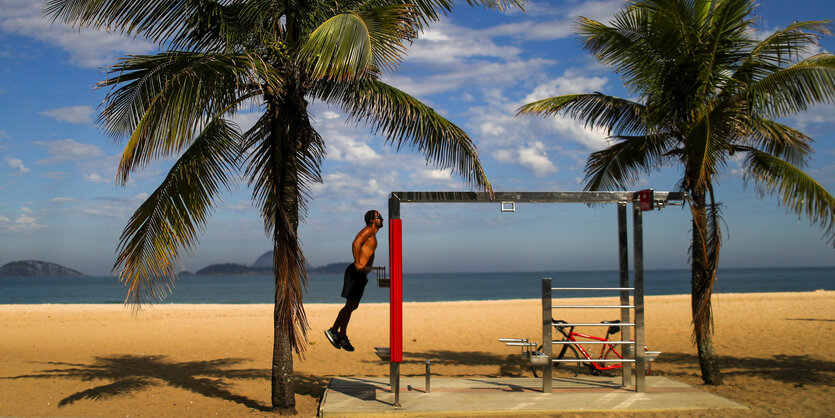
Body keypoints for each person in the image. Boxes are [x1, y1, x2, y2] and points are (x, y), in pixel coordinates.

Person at [325, 209, 384, 352]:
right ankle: (341, 335)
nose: (382, 219)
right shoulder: (368, 230)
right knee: (350, 305)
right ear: (372, 220)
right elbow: (356, 243)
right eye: (379, 217)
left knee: (352, 306)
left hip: (361, 275)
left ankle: (334, 331)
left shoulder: (372, 234)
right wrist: (358, 263)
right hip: (355, 273)